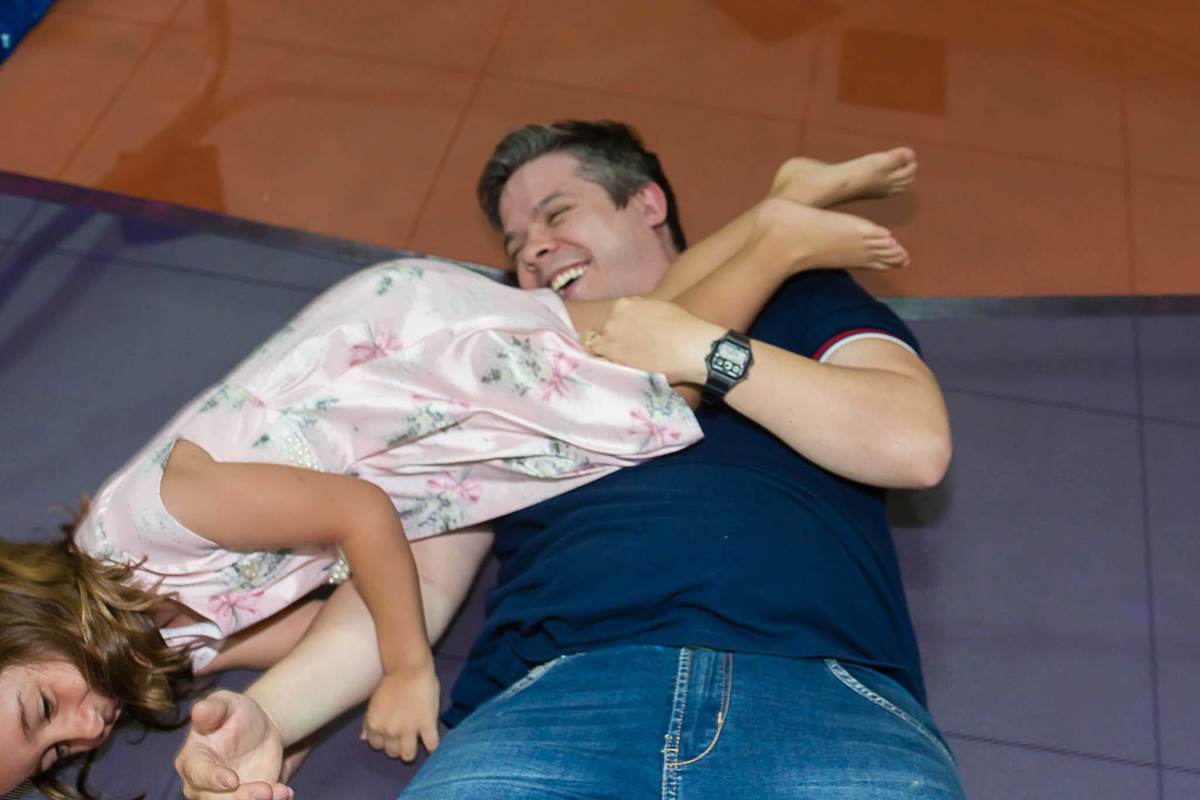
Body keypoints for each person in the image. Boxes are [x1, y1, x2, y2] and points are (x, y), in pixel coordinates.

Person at [0, 130, 911, 799]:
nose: (86, 730)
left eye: (43, 711)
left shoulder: (147, 522)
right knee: (622, 336)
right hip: (403, 402)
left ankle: (781, 240)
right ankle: (776, 206)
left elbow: (360, 517)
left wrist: (408, 668)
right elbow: (332, 623)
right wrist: (272, 730)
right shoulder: (156, 641)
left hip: (397, 353)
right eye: (57, 755)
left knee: (655, 389)